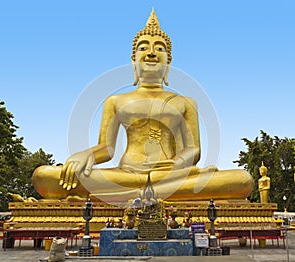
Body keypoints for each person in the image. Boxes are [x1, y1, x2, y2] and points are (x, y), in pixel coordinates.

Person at [32, 9, 253, 202]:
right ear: (133, 60)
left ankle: (134, 195)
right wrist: (85, 156)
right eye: (143, 48)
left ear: (169, 62)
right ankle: (150, 193)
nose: (151, 53)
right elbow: (107, 149)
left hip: (169, 174)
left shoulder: (185, 102)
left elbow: (193, 150)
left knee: (243, 180)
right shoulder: (116, 101)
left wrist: (175, 164)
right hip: (126, 173)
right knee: (45, 176)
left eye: (159, 49)